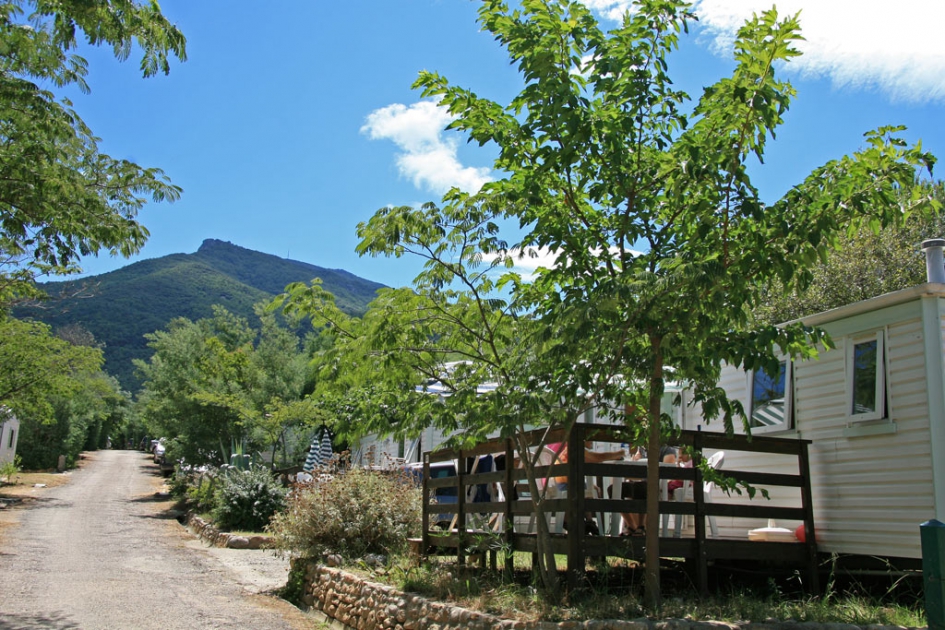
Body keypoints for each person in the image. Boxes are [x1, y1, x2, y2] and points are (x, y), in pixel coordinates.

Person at [619, 444, 677, 536]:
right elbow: (632, 473)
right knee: (616, 489)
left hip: (654, 485)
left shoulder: (667, 450)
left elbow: (668, 473)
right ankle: (632, 526)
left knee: (640, 488)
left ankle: (642, 527)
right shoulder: (641, 449)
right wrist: (634, 463)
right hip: (639, 482)